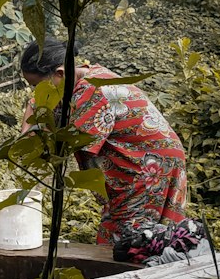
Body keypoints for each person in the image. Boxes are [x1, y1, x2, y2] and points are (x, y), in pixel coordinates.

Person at [20, 38, 188, 245]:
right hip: (148, 160)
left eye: (36, 86)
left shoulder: (92, 90)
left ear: (60, 73)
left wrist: (30, 139)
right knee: (137, 233)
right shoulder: (81, 79)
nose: (35, 93)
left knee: (130, 239)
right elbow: (43, 108)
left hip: (150, 165)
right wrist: (33, 104)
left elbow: (61, 147)